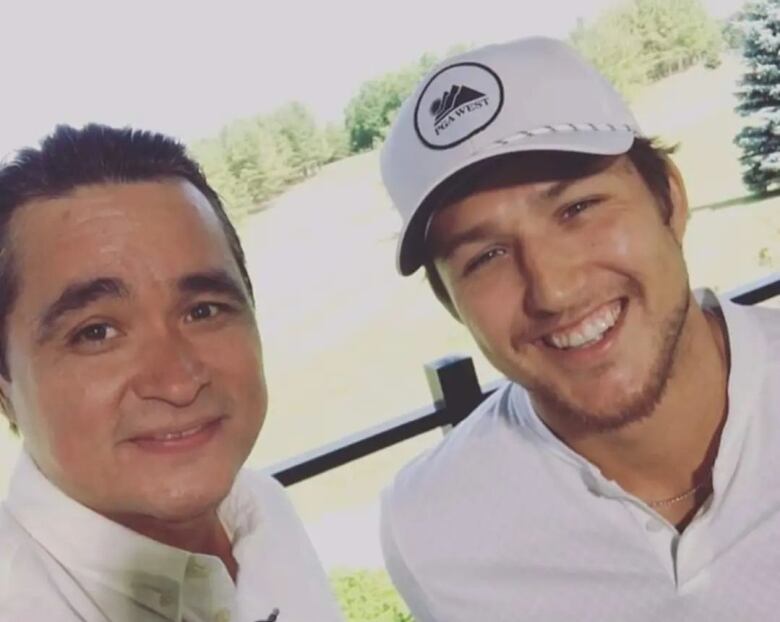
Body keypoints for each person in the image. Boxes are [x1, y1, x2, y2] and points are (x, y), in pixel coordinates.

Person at [378, 36, 780, 621]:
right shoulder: (430, 528)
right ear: (452, 305)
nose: (554, 290)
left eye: (578, 208)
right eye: (484, 257)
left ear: (669, 197)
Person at [0, 124, 345, 622]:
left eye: (202, 311)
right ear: (5, 387)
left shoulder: (261, 509)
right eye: (96, 332)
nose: (179, 382)